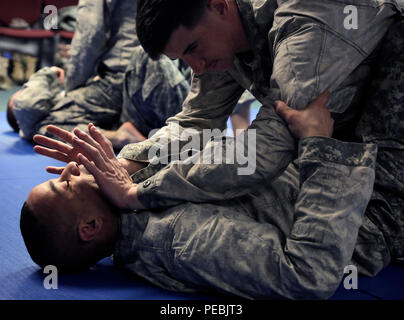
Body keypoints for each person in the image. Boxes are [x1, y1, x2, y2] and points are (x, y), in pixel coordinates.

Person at [21, 92, 380, 299]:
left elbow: (205, 148)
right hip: (375, 214)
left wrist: (129, 164)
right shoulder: (178, 239)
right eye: (64, 185)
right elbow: (307, 275)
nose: (69, 171)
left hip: (329, 174)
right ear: (89, 228)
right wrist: (325, 148)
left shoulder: (132, 207)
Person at [6, 0, 191, 150]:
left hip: (129, 80)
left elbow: (90, 36)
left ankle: (121, 137)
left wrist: (72, 87)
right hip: (179, 83)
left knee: (44, 127)